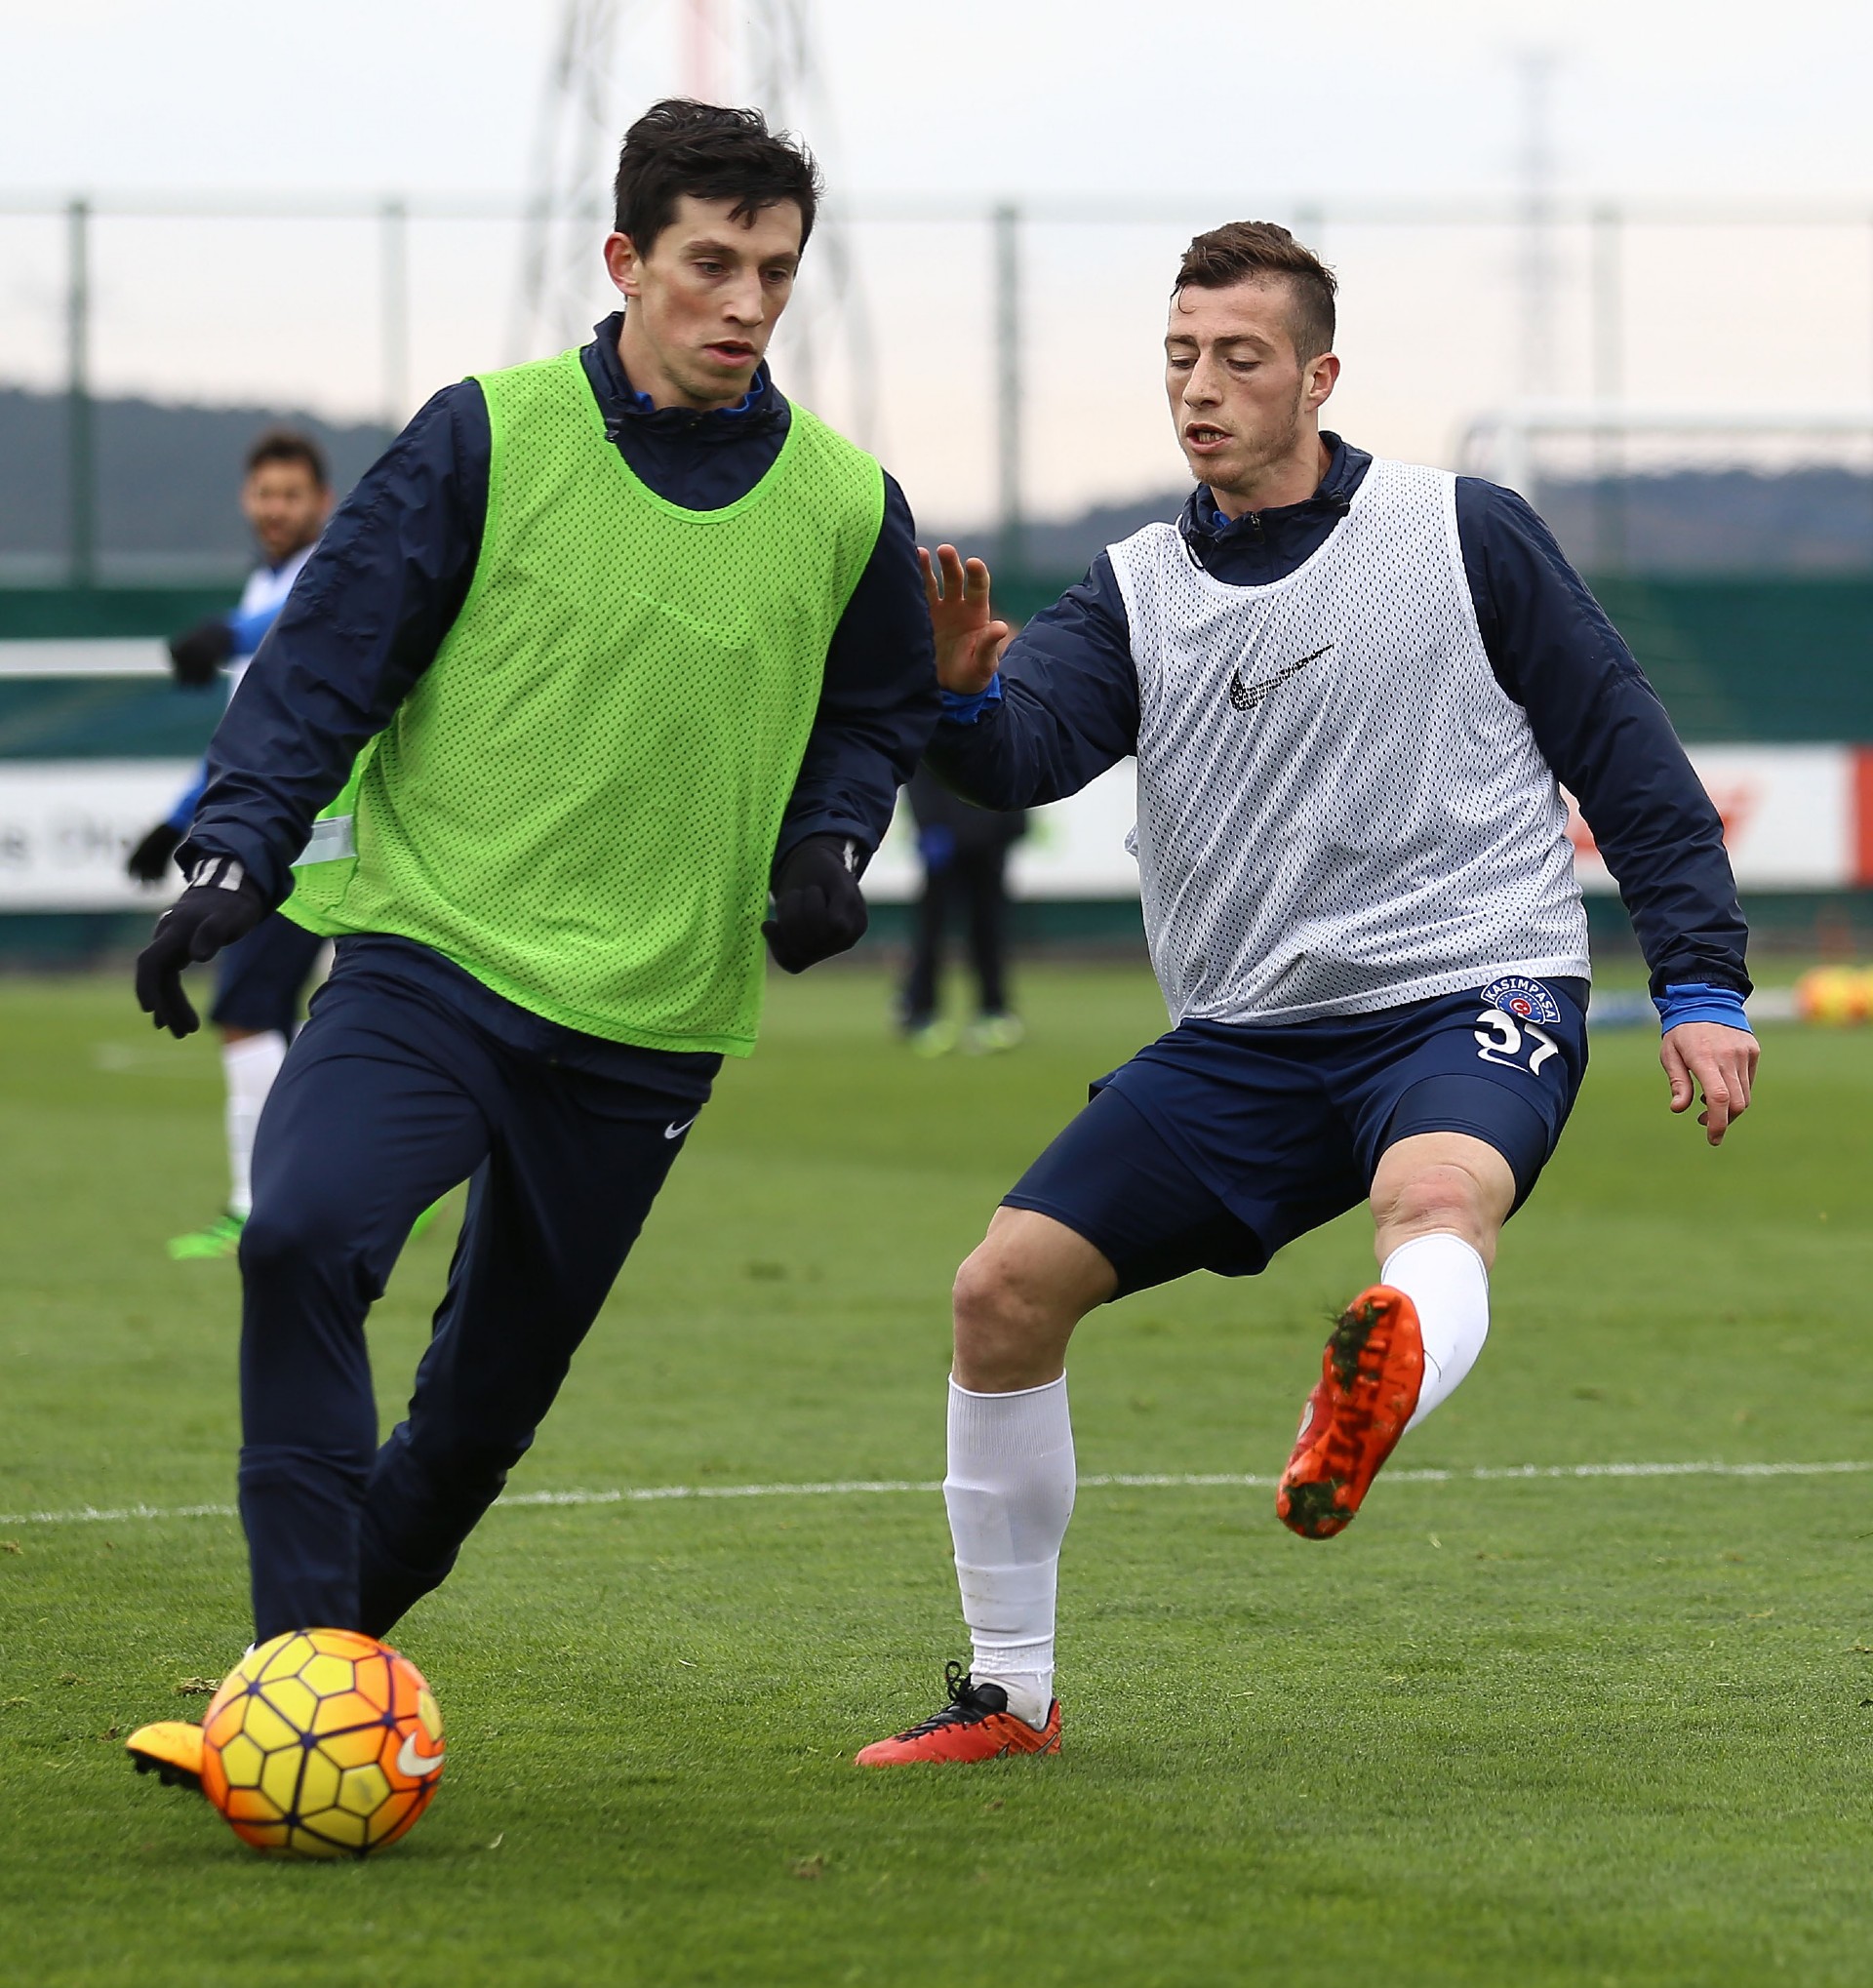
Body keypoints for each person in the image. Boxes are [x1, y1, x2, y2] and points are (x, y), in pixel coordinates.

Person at [855, 220, 1760, 1768]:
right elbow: (1023, 754)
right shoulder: (1135, 589)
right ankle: (1009, 1697)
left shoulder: (1465, 532)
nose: (1200, 388)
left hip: (1469, 983)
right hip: (1248, 1037)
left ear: (1320, 377)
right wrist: (957, 697)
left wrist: (1703, 983)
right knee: (1000, 1291)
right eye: (1180, 357)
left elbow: (1625, 752)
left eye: (1240, 358)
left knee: (1437, 1198)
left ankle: (1377, 1373)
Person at [125, 99, 936, 1795]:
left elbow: (875, 712)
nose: (746, 302)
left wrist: (827, 846)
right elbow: (330, 657)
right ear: (627, 259)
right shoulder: (485, 437)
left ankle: (298, 1696)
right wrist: (236, 849)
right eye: (711, 264)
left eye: (775, 271)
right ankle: (294, 1697)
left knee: (479, 1416)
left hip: (651, 1024)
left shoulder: (847, 504)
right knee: (300, 1237)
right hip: (430, 962)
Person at [125, 429, 335, 1260]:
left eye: (291, 494)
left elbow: (295, 619)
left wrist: (223, 630)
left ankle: (263, 1203)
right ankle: (357, 1188)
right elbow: (247, 732)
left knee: (249, 1013)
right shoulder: (268, 578)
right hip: (296, 827)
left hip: (306, 836)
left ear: (322, 502)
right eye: (264, 493)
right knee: (321, 1016)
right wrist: (181, 816)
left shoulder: (329, 569)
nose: (276, 508)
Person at [897, 764, 1025, 1054]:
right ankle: (919, 1011)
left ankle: (994, 1010)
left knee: (988, 932)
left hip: (988, 847)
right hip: (946, 844)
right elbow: (921, 779)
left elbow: (1015, 775)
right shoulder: (934, 737)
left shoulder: (1002, 733)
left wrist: (1010, 829)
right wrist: (930, 826)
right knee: (932, 932)